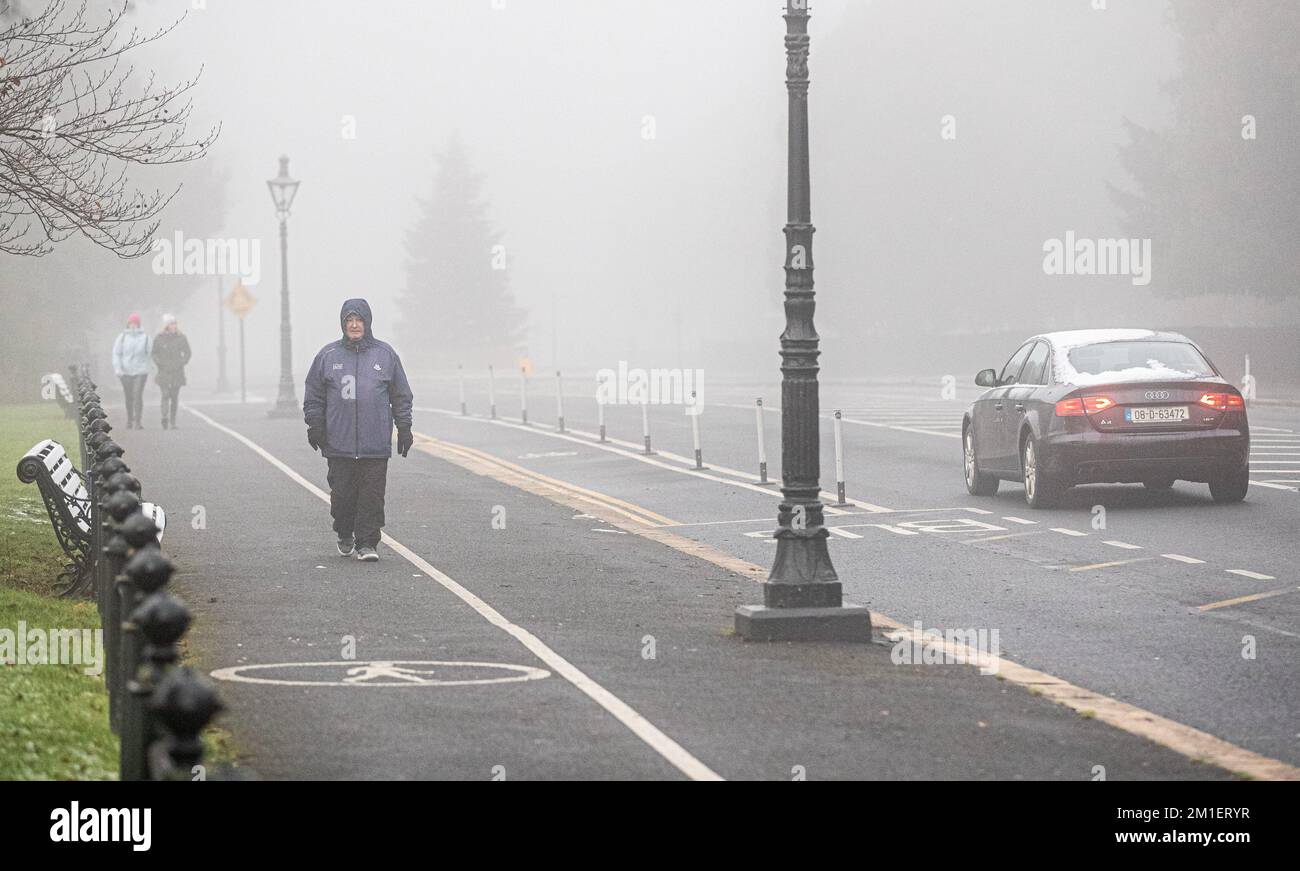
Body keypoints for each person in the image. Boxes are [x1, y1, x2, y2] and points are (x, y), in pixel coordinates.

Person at [303, 299, 414, 561]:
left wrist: (405, 426)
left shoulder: (385, 355)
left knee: (372, 497)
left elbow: (400, 395)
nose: (354, 325)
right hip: (339, 444)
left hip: (374, 444)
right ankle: (344, 532)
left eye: (359, 320)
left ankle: (367, 543)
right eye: (349, 320)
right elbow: (314, 394)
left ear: (367, 323)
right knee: (342, 497)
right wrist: (315, 424)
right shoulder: (327, 356)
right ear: (343, 324)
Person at [112, 313, 152, 429]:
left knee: (138, 395)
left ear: (138, 324)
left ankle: (138, 421)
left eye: (135, 323)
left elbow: (150, 354)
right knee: (128, 396)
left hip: (141, 371)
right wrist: (118, 368)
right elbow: (117, 354)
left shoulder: (145, 338)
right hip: (125, 372)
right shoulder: (122, 338)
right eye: (131, 323)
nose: (133, 325)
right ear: (128, 324)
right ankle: (130, 419)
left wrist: (149, 367)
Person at [152, 313, 192, 430]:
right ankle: (164, 416)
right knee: (165, 395)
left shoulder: (181, 338)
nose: (174, 326)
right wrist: (159, 363)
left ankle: (173, 421)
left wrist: (182, 362)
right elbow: (154, 353)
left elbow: (188, 352)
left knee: (174, 397)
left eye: (175, 323)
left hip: (177, 371)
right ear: (166, 326)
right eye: (171, 324)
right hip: (163, 371)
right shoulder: (159, 338)